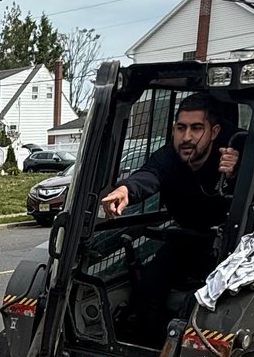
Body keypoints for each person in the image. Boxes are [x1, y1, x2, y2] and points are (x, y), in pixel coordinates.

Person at [98, 89, 242, 331]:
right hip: (187, 239)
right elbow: (150, 174)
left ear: (214, 131)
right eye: (180, 128)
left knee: (201, 307)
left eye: (196, 128)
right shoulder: (170, 156)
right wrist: (126, 190)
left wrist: (238, 174)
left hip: (234, 247)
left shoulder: (241, 154)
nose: (186, 137)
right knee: (147, 289)